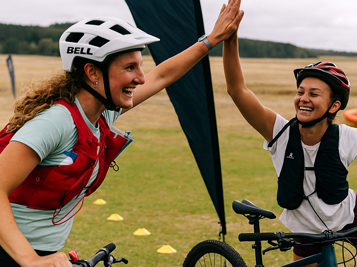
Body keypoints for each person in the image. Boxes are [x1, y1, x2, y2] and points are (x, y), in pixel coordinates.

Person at [0, 1, 244, 266]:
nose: (140, 77)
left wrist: (212, 39)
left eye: (140, 66)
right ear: (92, 72)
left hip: (41, 253)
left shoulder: (101, 112)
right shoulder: (56, 120)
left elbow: (161, 75)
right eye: (130, 68)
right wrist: (30, 260)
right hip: (13, 253)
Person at [223, 29, 357, 266]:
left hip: (352, 218)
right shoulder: (279, 132)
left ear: (334, 105)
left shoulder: (349, 137)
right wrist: (231, 38)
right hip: (305, 232)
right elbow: (237, 90)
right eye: (300, 92)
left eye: (314, 94)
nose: (303, 98)